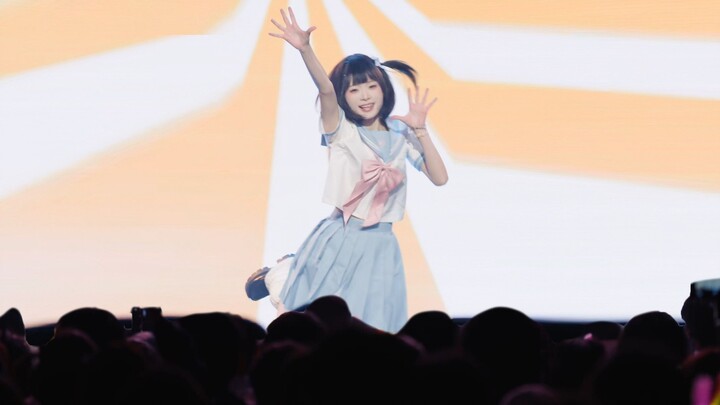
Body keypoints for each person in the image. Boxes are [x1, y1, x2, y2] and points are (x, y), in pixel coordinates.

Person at [246, 7, 448, 333]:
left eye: (370, 86)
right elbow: (325, 90)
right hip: (342, 234)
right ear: (345, 96)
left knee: (370, 327)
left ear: (383, 88)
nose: (364, 96)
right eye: (353, 90)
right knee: (303, 318)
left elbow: (440, 178)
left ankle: (291, 269)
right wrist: (305, 49)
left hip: (381, 242)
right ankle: (280, 276)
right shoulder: (341, 130)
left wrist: (421, 132)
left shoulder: (400, 132)